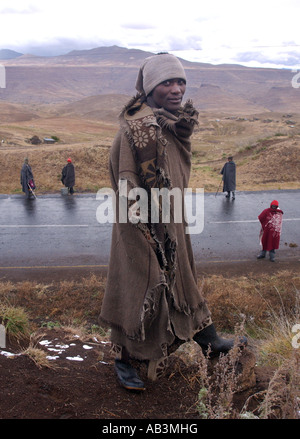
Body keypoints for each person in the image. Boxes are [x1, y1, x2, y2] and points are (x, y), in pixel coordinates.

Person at [100, 53, 247, 392]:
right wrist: (145, 232)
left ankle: (206, 338)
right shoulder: (136, 132)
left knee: (181, 279)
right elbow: (126, 187)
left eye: (180, 81)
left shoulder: (173, 126)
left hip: (173, 220)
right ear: (150, 88)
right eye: (167, 82)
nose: (177, 88)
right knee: (139, 286)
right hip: (139, 226)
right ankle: (124, 359)